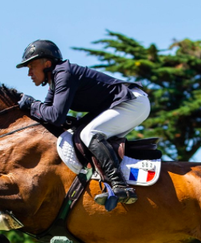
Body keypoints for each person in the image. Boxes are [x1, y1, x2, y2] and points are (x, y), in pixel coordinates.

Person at [16, 39, 150, 210]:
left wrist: (32, 105)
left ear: (47, 63)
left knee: (90, 134)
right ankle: (107, 182)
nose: (29, 73)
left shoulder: (64, 73)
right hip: (121, 104)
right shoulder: (54, 81)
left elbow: (55, 116)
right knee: (80, 133)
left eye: (31, 67)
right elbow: (47, 115)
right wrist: (31, 107)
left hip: (132, 102)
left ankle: (120, 185)